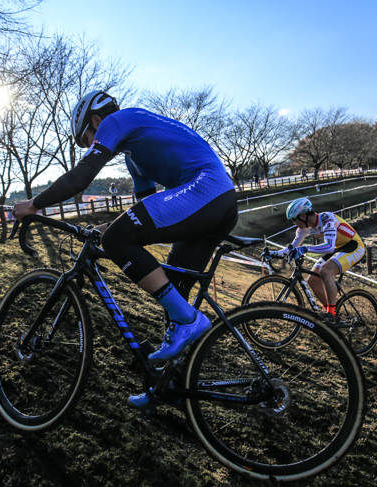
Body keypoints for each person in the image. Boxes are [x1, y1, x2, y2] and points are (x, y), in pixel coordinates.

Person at [12, 90, 238, 408]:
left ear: (95, 120)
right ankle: (168, 386)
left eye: (89, 139)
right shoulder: (136, 155)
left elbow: (81, 178)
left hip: (205, 191)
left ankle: (187, 323)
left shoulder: (118, 120)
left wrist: (34, 204)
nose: (95, 144)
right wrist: (107, 229)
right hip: (215, 201)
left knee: (119, 242)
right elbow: (147, 210)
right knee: (174, 294)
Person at [268, 197, 365, 321]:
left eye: (294, 219)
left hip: (354, 246)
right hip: (338, 247)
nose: (294, 223)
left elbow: (329, 247)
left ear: (303, 216)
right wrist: (273, 253)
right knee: (312, 279)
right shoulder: (303, 228)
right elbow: (292, 247)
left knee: (325, 270)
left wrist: (305, 249)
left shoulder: (327, 218)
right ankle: (330, 312)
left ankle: (331, 313)